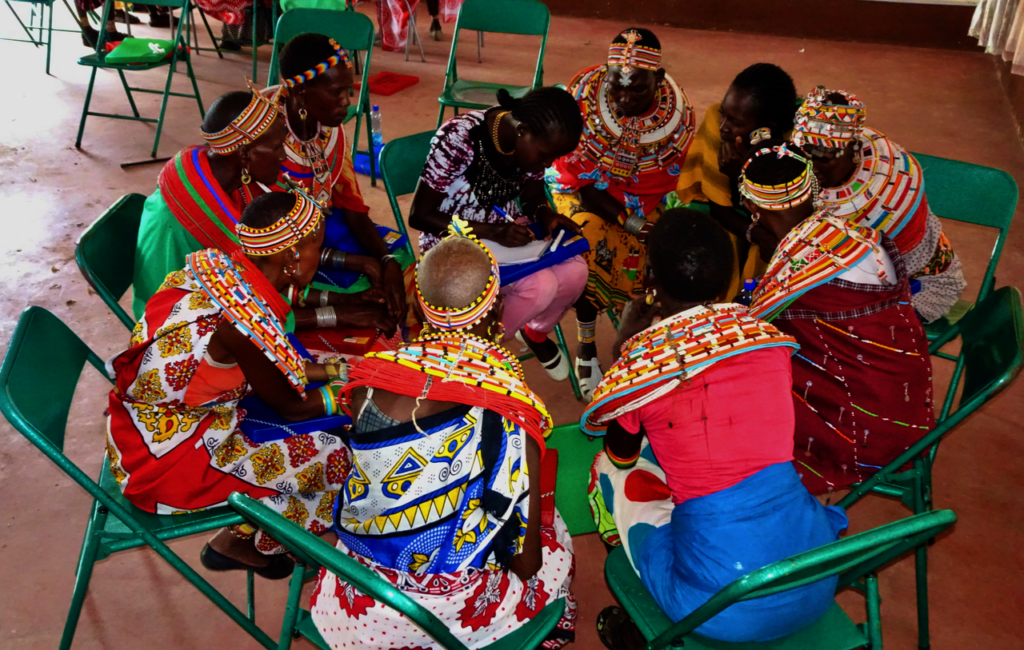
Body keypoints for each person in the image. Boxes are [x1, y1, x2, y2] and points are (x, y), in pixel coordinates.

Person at [584, 208, 848, 647]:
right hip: (815, 578)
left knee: (607, 472)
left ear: (649, 278)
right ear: (729, 276)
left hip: (720, 608)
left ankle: (641, 615)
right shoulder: (768, 339)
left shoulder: (643, 363)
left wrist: (624, 347)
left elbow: (621, 453)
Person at [310, 217, 577, 649]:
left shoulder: (368, 381)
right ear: (494, 311)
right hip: (438, 617)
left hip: (357, 601)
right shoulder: (509, 410)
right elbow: (525, 565)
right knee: (555, 544)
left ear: (419, 307)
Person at [108, 191, 352, 577]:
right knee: (339, 457)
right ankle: (247, 540)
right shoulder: (239, 325)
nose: (320, 255)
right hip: (169, 460)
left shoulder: (227, 279)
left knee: (321, 422)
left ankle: (246, 536)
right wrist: (356, 393)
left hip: (136, 429)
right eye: (317, 244)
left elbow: (278, 363)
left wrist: (338, 372)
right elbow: (291, 405)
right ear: (291, 256)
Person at [740, 141, 934, 495]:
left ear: (750, 204)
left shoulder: (795, 273)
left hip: (865, 434)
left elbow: (754, 337)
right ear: (814, 187)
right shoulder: (861, 237)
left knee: (740, 393)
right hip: (912, 407)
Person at [131, 87, 391, 336]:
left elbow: (271, 266)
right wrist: (340, 315)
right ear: (244, 154)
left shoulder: (221, 180)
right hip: (180, 327)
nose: (282, 157)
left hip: (229, 303)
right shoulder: (196, 217)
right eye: (277, 147)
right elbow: (252, 312)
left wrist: (345, 299)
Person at [548, 28, 696, 400]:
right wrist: (633, 223)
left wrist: (645, 221)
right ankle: (585, 348)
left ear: (659, 79)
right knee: (591, 244)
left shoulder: (677, 121)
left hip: (644, 200)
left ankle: (640, 344)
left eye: (638, 89)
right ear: (605, 75)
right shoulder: (583, 103)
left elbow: (668, 181)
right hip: (582, 195)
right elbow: (581, 184)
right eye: (617, 87)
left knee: (666, 256)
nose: (625, 98)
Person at [409, 86, 588, 382]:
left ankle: (535, 332)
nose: (548, 165)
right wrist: (491, 231)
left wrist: (546, 214)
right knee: (540, 285)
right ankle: (474, 355)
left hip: (504, 233)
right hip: (451, 245)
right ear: (522, 130)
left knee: (575, 272)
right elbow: (420, 216)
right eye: (545, 155)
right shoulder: (460, 138)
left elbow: (531, 197)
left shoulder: (531, 143)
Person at [791, 87, 967, 323]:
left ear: (853, 148)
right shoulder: (836, 179)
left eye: (824, 155)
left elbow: (832, 267)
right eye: (805, 153)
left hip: (917, 289)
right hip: (868, 279)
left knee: (818, 322)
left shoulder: (883, 200)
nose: (812, 165)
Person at [273, 33, 409, 330]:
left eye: (348, 90)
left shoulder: (331, 130)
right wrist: (357, 262)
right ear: (302, 92)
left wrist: (385, 260)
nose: (348, 102)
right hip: (279, 247)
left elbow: (350, 202)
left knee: (402, 264)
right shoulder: (266, 143)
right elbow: (269, 247)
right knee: (359, 293)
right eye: (337, 92)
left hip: (318, 226)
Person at [676, 63, 798, 299]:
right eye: (724, 114)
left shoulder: (794, 147)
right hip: (730, 220)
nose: (723, 127)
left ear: (766, 129)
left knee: (771, 260)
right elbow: (719, 208)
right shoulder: (716, 123)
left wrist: (744, 174)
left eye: (735, 122)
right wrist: (755, 233)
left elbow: (783, 222)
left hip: (773, 224)